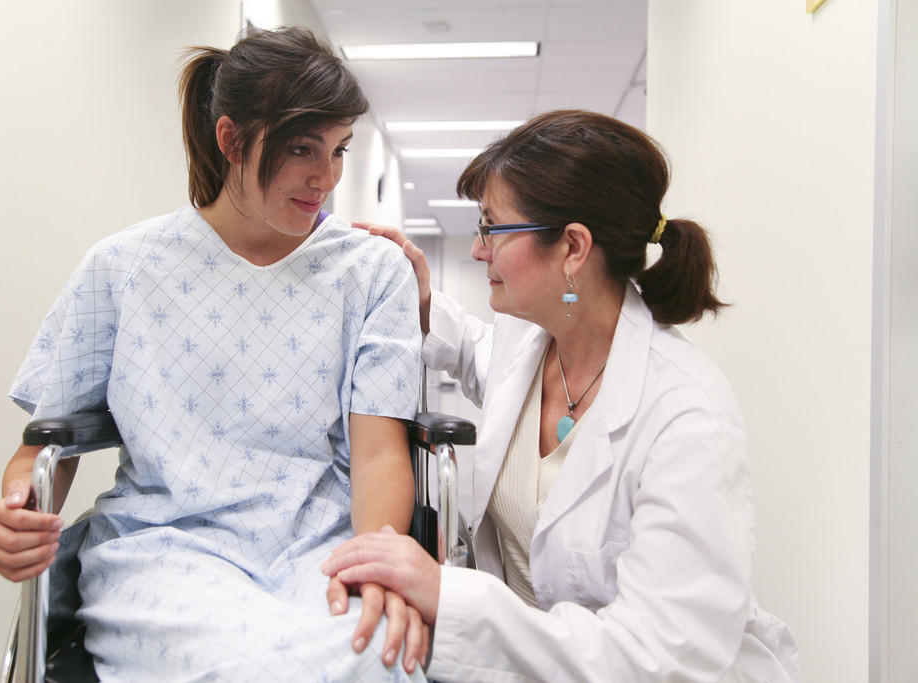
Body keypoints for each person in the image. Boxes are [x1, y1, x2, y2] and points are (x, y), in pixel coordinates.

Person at [0, 26, 429, 680]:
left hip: (318, 548)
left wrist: (380, 563)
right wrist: (19, 511)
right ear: (231, 139)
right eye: (304, 149)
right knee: (246, 667)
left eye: (338, 150)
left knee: (379, 657)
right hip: (165, 548)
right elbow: (44, 445)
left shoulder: (372, 272)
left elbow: (381, 452)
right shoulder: (125, 269)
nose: (325, 178)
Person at [322, 110, 801, 681]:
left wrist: (450, 597)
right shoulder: (536, 340)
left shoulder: (687, 417)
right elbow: (483, 355)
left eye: (491, 228)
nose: (478, 251)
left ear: (573, 247)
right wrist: (418, 301)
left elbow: (664, 660)